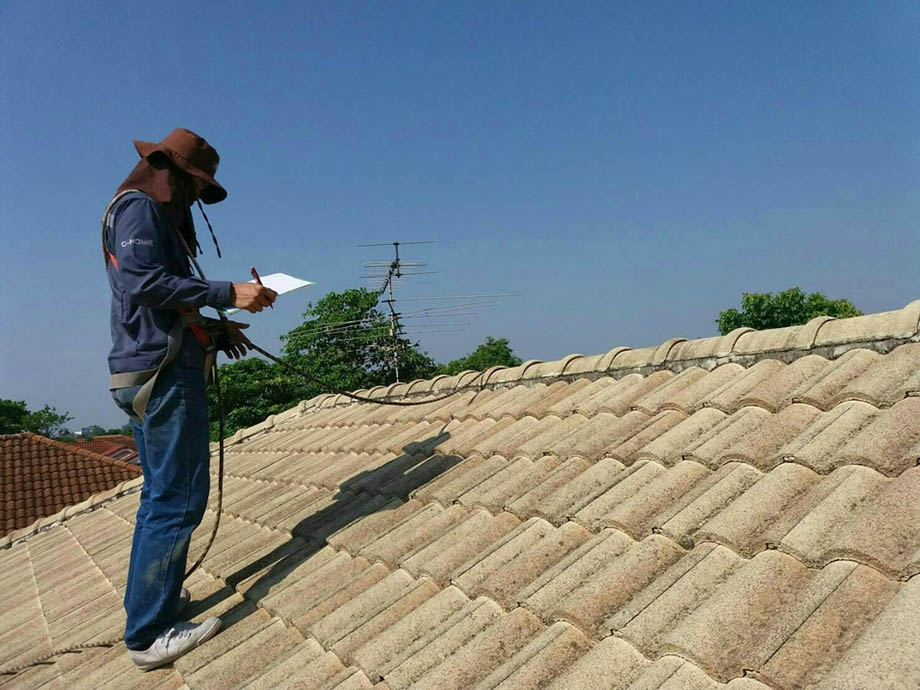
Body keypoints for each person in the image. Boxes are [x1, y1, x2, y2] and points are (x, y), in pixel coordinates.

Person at [103, 128, 276, 670]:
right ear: (175, 174)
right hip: (161, 374)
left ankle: (156, 602)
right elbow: (143, 284)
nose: (199, 199)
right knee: (175, 499)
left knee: (165, 494)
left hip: (155, 367)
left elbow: (160, 300)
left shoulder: (153, 215)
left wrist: (216, 328)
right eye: (198, 187)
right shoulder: (138, 210)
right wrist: (229, 293)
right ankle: (150, 634)